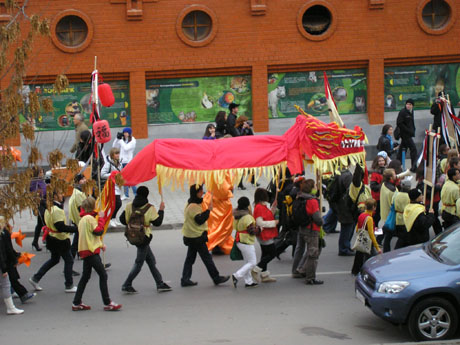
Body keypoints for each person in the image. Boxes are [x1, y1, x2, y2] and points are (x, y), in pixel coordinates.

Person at [72, 197, 122, 311]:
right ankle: (107, 302)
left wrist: (100, 244)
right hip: (91, 251)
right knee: (103, 275)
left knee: (85, 277)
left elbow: (89, 236)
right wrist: (102, 219)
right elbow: (98, 231)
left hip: (85, 250)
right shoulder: (90, 219)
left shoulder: (82, 219)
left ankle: (76, 302)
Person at [119, 186, 171, 294]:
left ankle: (159, 282)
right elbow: (158, 222)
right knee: (139, 263)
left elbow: (122, 220)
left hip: (132, 235)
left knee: (151, 261)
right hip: (144, 238)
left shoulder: (129, 206)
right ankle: (127, 284)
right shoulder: (149, 208)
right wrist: (161, 210)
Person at [29, 189, 78, 293]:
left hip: (51, 238)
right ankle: (69, 285)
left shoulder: (49, 208)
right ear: (55, 196)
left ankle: (36, 278)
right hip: (60, 239)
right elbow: (60, 227)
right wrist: (76, 229)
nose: (62, 195)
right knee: (69, 260)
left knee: (54, 259)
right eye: (60, 193)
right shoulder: (56, 210)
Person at [180, 184, 229, 287]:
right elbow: (199, 220)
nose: (202, 192)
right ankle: (216, 278)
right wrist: (208, 211)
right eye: (201, 191)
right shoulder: (193, 206)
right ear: (196, 193)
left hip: (192, 236)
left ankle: (185, 279)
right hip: (196, 236)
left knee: (190, 259)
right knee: (207, 258)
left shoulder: (193, 203)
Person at [291, 179, 324, 285]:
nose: (316, 188)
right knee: (313, 254)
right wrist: (322, 221)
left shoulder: (299, 197)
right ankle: (310, 277)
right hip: (311, 229)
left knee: (299, 249)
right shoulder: (312, 201)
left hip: (302, 228)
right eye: (314, 186)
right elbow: (317, 218)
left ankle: (296, 269)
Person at [0, 217, 35, 304]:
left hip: (6, 260)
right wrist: (15, 259)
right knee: (12, 278)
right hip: (6, 260)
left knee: (10, 279)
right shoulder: (4, 234)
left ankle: (14, 292)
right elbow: (8, 249)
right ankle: (23, 294)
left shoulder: (4, 233)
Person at [251, 188, 278, 283]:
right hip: (265, 234)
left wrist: (273, 208)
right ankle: (256, 269)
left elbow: (268, 215)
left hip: (265, 234)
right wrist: (274, 223)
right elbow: (260, 223)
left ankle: (264, 275)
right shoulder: (259, 207)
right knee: (272, 253)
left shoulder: (262, 206)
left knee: (265, 254)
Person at [203, 175, 234, 255]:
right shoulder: (224, 172)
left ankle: (216, 243)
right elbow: (225, 191)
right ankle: (216, 243)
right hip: (219, 203)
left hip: (211, 200)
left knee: (213, 226)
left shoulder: (208, 170)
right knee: (221, 226)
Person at [231, 197, 258, 288]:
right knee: (253, 262)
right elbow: (252, 231)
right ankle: (237, 275)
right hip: (246, 240)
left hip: (239, 240)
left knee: (247, 262)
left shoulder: (237, 215)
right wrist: (259, 229)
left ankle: (248, 281)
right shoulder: (247, 217)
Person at [351, 199, 381, 275]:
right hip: (367, 241)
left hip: (361, 238)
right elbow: (371, 234)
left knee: (360, 256)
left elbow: (358, 228)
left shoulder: (361, 215)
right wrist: (377, 247)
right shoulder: (369, 218)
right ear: (373, 207)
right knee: (373, 257)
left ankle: (356, 271)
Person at [0, 217, 24, 315]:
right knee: (6, 285)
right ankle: (11, 308)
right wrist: (4, 269)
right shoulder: (2, 235)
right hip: (2, 265)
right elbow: (1, 254)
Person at [113, 127, 137, 200]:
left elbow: (126, 148)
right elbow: (114, 146)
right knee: (123, 178)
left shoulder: (133, 140)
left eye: (126, 133)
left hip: (128, 162)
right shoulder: (123, 140)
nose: (125, 134)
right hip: (122, 162)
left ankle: (136, 194)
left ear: (129, 133)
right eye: (124, 133)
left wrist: (120, 141)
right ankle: (126, 194)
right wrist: (117, 139)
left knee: (130, 179)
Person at [101, 148, 123, 227]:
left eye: (118, 153)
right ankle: (111, 218)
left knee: (116, 203)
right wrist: (112, 175)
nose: (117, 155)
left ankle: (113, 218)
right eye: (116, 154)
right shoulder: (108, 163)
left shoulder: (119, 162)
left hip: (117, 186)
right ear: (112, 155)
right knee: (117, 203)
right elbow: (102, 174)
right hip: (111, 186)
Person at [69, 174, 87, 260]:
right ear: (77, 181)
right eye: (82, 179)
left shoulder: (77, 191)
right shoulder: (79, 193)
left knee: (78, 238)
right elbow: (82, 208)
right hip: (80, 219)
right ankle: (72, 257)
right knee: (78, 239)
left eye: (85, 178)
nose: (85, 180)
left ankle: (78, 254)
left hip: (78, 219)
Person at [396, 99, 417, 172]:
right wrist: (408, 130)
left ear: (412, 106)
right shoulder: (403, 112)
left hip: (409, 134)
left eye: (410, 104)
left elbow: (411, 122)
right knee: (413, 149)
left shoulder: (411, 111)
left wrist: (413, 130)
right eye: (407, 104)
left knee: (402, 149)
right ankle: (414, 167)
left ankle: (397, 165)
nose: (408, 106)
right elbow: (399, 123)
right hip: (405, 135)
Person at [379, 168, 397, 252]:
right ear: (390, 178)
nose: (396, 175)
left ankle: (377, 241)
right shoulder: (393, 190)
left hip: (384, 214)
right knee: (389, 236)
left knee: (385, 233)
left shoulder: (384, 185)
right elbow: (395, 203)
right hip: (390, 217)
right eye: (394, 174)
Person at [30, 166, 47, 251]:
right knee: (44, 223)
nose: (42, 173)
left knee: (40, 224)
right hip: (39, 204)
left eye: (42, 172)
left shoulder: (41, 181)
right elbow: (34, 193)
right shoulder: (34, 182)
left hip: (43, 204)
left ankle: (35, 242)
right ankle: (47, 240)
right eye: (40, 172)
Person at [369, 153, 388, 229]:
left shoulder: (386, 170)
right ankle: (374, 226)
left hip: (384, 196)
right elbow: (373, 186)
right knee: (377, 214)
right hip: (378, 197)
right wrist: (383, 185)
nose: (381, 162)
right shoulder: (375, 173)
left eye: (383, 160)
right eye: (379, 161)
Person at [393, 179, 411, 249]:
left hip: (398, 218)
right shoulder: (408, 196)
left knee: (401, 235)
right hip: (406, 219)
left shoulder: (396, 194)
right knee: (403, 237)